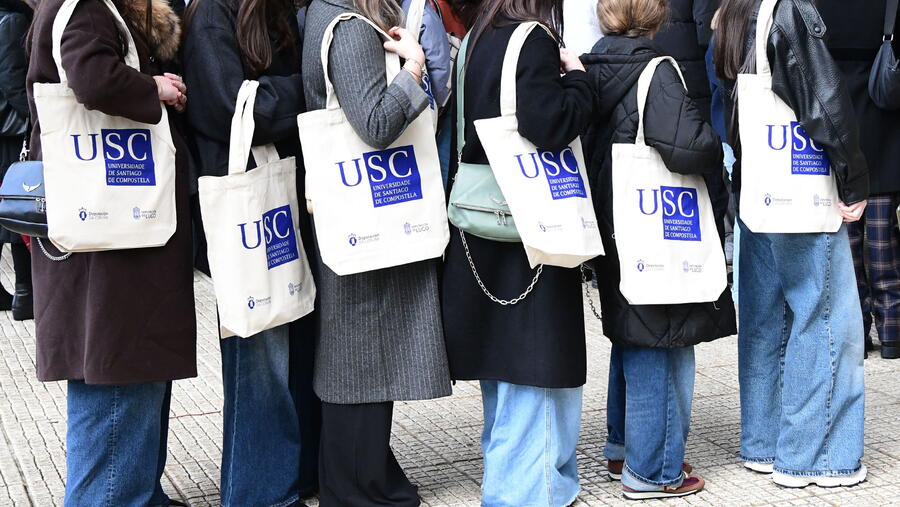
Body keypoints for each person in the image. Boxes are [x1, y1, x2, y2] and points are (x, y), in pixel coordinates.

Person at [26, 0, 195, 503]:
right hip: (113, 241)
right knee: (116, 373)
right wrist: (153, 88)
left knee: (121, 372)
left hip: (114, 232)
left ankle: (135, 493)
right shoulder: (88, 8)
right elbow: (93, 77)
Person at [441, 1, 596, 505]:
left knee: (502, 369)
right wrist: (578, 82)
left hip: (476, 216)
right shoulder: (531, 38)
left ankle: (509, 481)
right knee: (537, 367)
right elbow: (546, 125)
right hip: (530, 221)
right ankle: (528, 492)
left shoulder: (474, 40)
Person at [581, 0, 736, 499]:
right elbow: (687, 145)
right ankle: (654, 471)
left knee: (631, 333)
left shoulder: (591, 64)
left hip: (612, 221)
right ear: (654, 14)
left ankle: (622, 448)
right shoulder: (657, 68)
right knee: (662, 339)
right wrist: (715, 142)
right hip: (657, 226)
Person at [714, 0, 869, 488]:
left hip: (758, 189)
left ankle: (764, 444)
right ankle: (814, 459)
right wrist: (853, 176)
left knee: (765, 320)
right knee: (826, 321)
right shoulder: (789, 9)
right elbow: (824, 100)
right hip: (801, 190)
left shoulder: (733, 12)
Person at [303, 0, 452, 505]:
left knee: (361, 351)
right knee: (357, 355)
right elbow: (374, 123)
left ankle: (361, 478)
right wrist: (413, 69)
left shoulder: (332, 16)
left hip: (357, 211)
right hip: (361, 214)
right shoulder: (347, 28)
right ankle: (356, 487)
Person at [182, 0, 314, 504]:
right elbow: (229, 107)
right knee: (258, 354)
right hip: (243, 201)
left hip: (274, 196)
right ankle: (258, 492)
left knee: (278, 344)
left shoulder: (269, 12)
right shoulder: (213, 13)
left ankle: (281, 479)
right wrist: (308, 90)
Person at [817, 0, 900, 360]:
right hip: (883, 112)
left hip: (835, 117)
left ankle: (855, 332)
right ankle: (893, 328)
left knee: (846, 227)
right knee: (882, 232)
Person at [0, 0, 33, 321]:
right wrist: (38, 117)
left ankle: (23, 295)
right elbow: (13, 83)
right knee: (20, 207)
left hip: (6, 130)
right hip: (12, 132)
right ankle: (25, 295)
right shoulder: (11, 22)